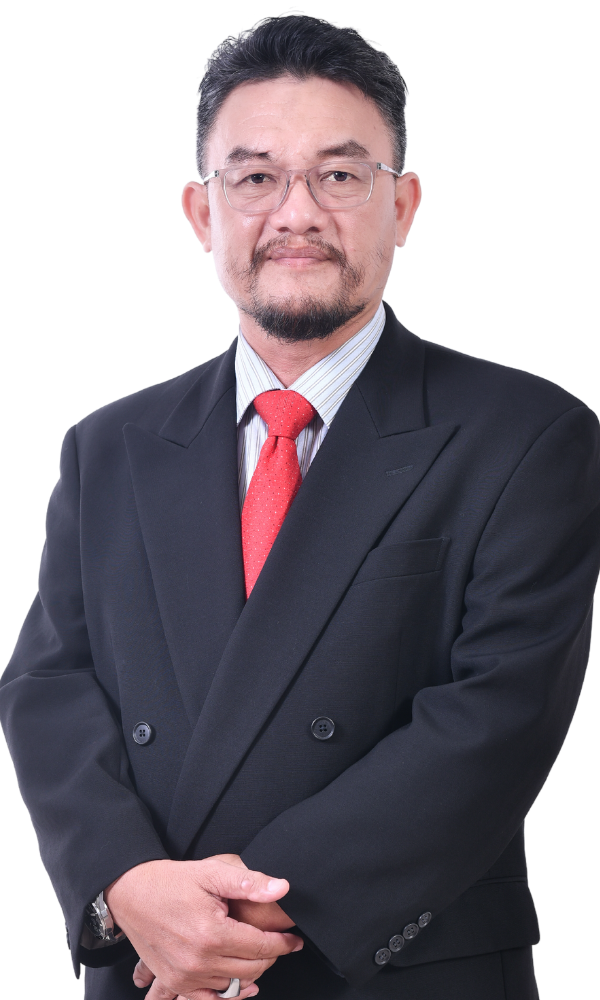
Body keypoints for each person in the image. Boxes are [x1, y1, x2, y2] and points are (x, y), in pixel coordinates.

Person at [1, 13, 598, 1000]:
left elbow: (498, 715)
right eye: (255, 178)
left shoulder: (525, 432)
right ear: (202, 213)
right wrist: (127, 884)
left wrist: (237, 915)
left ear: (403, 205)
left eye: (340, 175)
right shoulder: (108, 445)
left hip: (398, 968)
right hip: (154, 966)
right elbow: (50, 683)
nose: (297, 213)